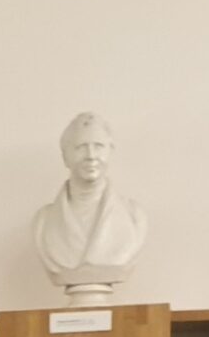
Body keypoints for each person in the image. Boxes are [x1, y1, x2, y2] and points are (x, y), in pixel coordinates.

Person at [33, 112, 147, 299]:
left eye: (99, 146)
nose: (91, 156)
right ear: (65, 156)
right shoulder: (43, 222)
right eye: (80, 147)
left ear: (111, 151)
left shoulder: (134, 216)